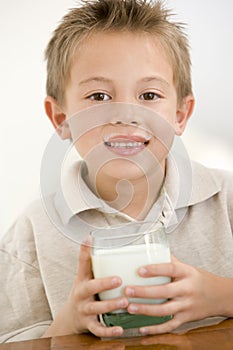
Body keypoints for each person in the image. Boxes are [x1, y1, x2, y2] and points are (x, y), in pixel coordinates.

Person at [1, 0, 233, 343]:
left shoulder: (225, 200)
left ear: (180, 115)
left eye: (149, 94)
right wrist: (69, 321)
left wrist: (221, 295)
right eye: (98, 96)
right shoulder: (33, 234)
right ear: (62, 119)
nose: (125, 115)